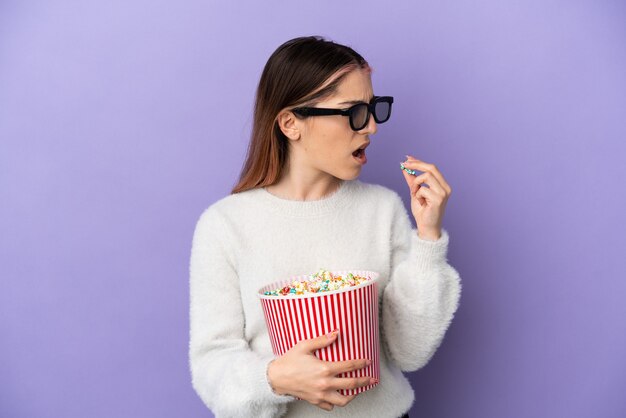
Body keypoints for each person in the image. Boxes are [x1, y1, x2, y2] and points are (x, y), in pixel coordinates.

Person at [188, 35, 462, 418]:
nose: (371, 129)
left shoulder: (383, 209)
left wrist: (428, 239)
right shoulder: (224, 225)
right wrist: (275, 379)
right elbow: (212, 363)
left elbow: (409, 352)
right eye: (353, 112)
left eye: (373, 108)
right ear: (290, 123)